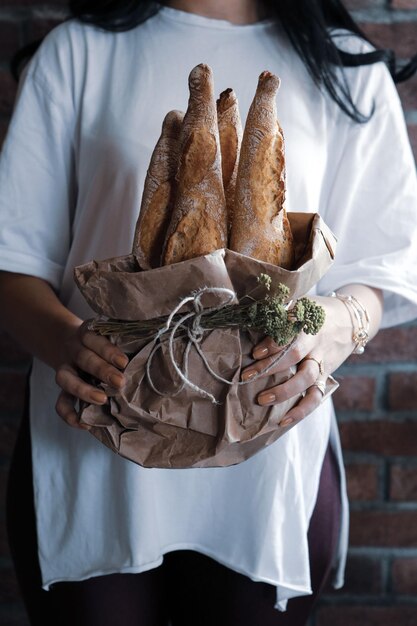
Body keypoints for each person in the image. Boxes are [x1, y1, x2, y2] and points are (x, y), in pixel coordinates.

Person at [1, 1, 417, 624]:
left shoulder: (345, 68)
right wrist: (67, 343)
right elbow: (13, 258)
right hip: (95, 453)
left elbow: (384, 266)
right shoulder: (79, 53)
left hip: (270, 462)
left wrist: (333, 327)